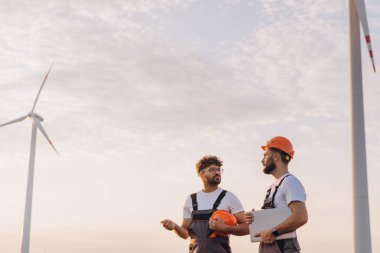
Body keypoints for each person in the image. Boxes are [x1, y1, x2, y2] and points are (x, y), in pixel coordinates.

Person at [161, 155, 248, 253]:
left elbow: (247, 228)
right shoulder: (191, 199)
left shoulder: (229, 197)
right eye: (212, 169)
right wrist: (174, 227)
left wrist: (226, 228)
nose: (217, 172)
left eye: (219, 170)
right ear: (201, 174)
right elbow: (185, 234)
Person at [245, 136, 308, 253]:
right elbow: (276, 216)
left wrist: (273, 231)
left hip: (284, 248)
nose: (262, 160)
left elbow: (301, 216)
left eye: (265, 155)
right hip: (270, 247)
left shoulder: (290, 182)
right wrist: (256, 219)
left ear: (276, 156)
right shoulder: (273, 187)